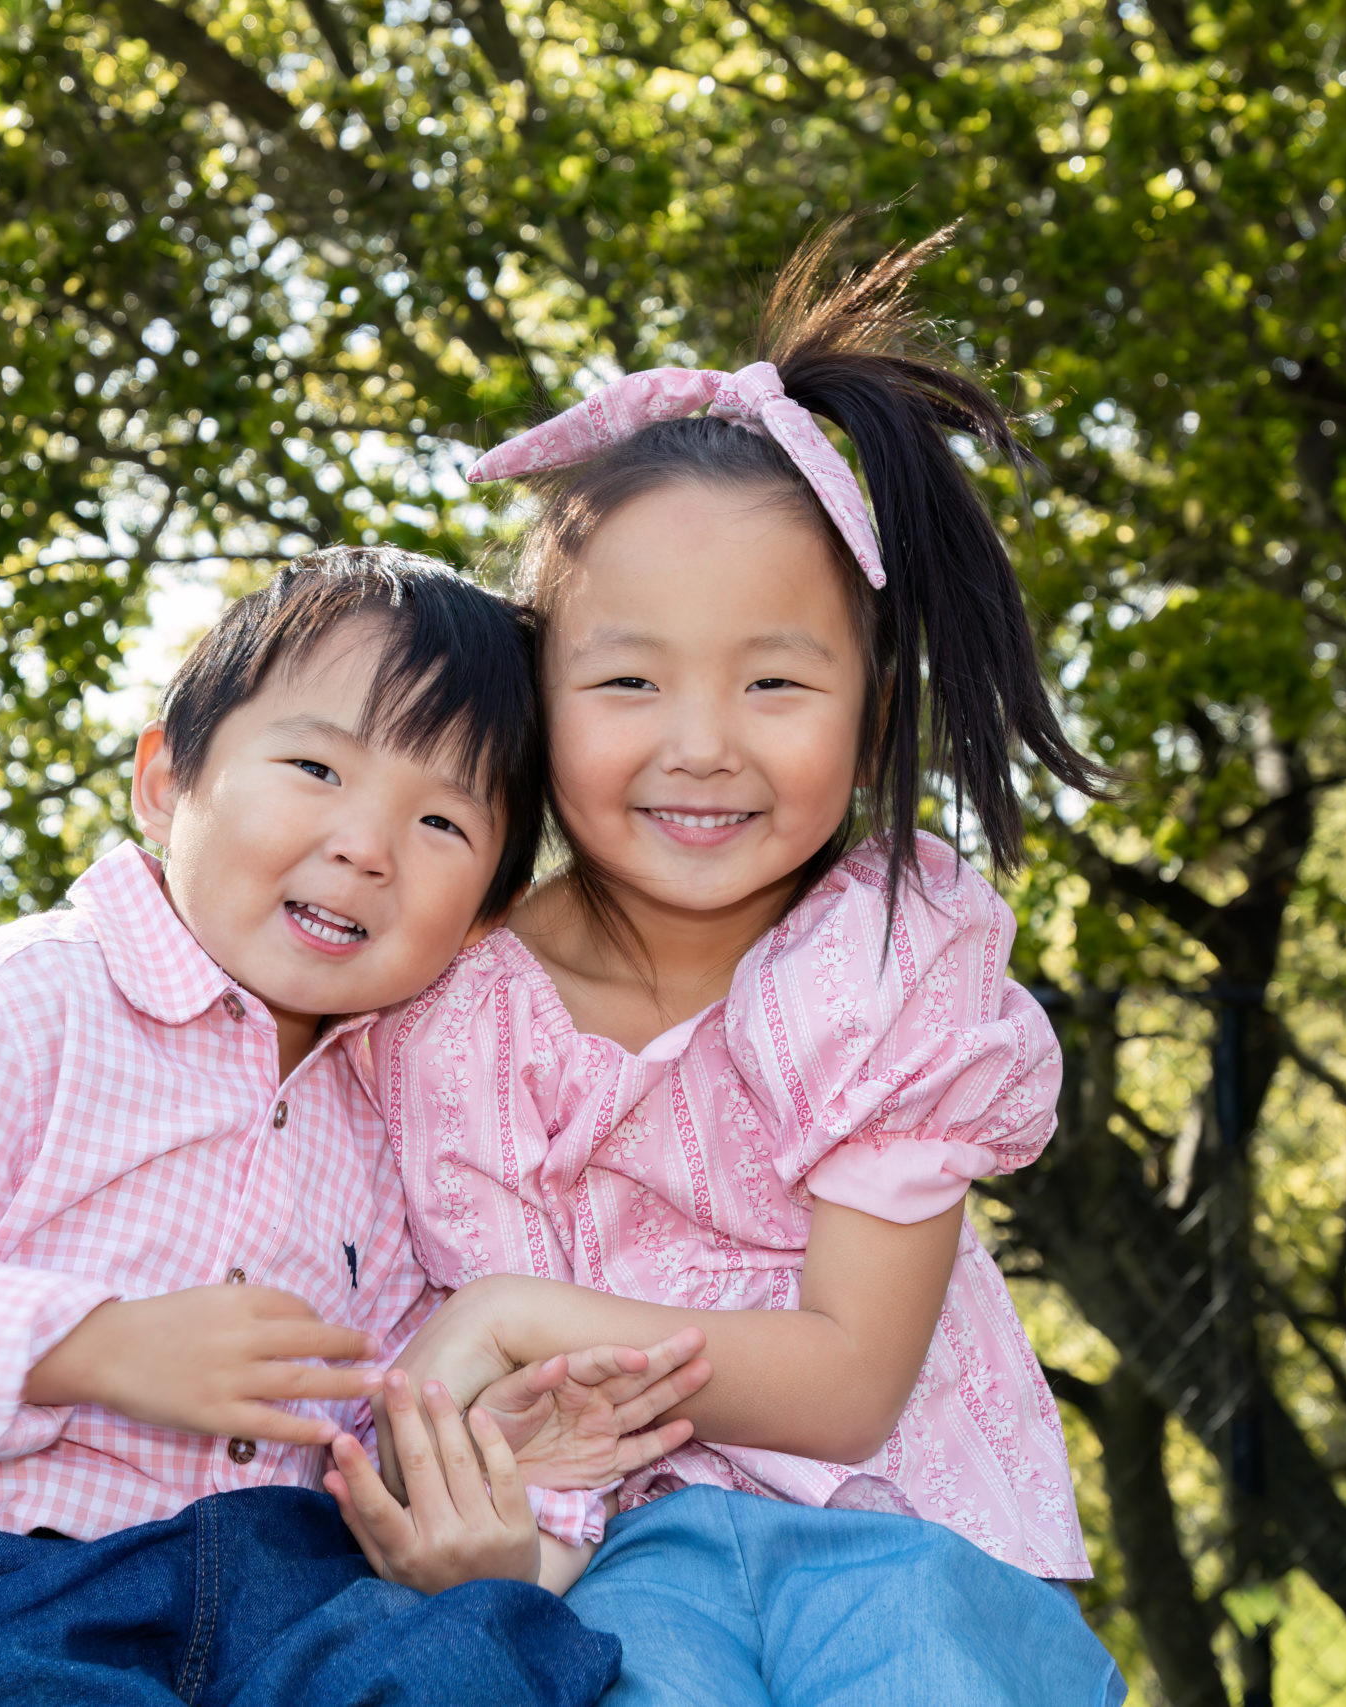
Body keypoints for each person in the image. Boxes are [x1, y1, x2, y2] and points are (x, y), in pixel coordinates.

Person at [352, 229, 1129, 1704]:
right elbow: (463, 1401)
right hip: (621, 1562)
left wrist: (521, 1311)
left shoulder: (886, 963)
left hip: (910, 1547)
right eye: (629, 679)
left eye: (775, 680)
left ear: (871, 700)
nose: (701, 742)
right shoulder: (450, 1007)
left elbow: (844, 1384)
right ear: (542, 692)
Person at [0, 549, 706, 1707]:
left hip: (275, 1600)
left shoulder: (395, 1126)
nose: (366, 844)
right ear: (163, 781)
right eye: (313, 766)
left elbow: (371, 1409)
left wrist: (494, 1480)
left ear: (484, 920)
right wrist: (86, 1347)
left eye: (441, 820)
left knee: (497, 1658)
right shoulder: (15, 1004)